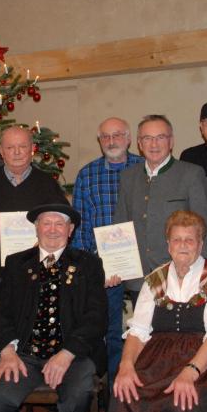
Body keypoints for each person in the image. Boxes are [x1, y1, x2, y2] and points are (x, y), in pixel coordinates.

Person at [107, 210, 207, 412]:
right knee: (125, 396)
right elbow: (138, 330)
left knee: (183, 403)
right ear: (168, 244)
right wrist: (126, 365)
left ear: (200, 244)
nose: (183, 245)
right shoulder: (155, 279)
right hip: (157, 357)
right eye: (177, 239)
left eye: (189, 239)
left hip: (204, 358)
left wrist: (190, 372)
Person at [0, 204, 107, 412]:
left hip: (74, 354)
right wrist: (7, 352)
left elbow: (97, 317)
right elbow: (1, 313)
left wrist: (67, 354)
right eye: (46, 223)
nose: (52, 230)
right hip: (24, 356)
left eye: (59, 224)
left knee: (78, 394)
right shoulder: (16, 263)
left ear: (70, 230)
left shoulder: (89, 264)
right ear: (36, 228)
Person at [0, 126, 68, 362]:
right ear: (0, 151)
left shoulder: (47, 184)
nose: (17, 152)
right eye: (10, 147)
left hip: (37, 277)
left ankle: (32, 378)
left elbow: (63, 229)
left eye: (22, 146)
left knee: (33, 332)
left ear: (32, 150)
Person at [71, 117, 144, 394]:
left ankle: (143, 386)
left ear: (128, 138)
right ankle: (116, 391)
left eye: (117, 135)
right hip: (105, 270)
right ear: (99, 141)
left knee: (148, 330)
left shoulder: (143, 167)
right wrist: (92, 270)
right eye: (105, 137)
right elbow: (80, 228)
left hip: (145, 268)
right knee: (111, 332)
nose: (111, 141)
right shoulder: (87, 175)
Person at [115, 115, 207, 300]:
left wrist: (200, 275)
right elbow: (120, 225)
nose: (154, 144)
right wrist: (116, 266)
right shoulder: (128, 177)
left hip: (180, 276)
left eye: (160, 137)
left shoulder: (191, 174)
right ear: (139, 143)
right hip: (139, 279)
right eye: (147, 138)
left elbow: (205, 228)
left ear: (171, 141)